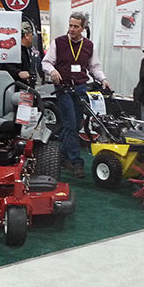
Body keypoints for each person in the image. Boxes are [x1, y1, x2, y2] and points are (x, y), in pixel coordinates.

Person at [42, 12, 111, 179]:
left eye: (76, 26)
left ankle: (61, 155)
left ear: (83, 28)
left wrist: (103, 79)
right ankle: (76, 161)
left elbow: (94, 67)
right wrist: (52, 71)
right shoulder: (58, 42)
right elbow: (46, 62)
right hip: (63, 88)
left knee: (75, 124)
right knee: (71, 124)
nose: (72, 29)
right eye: (70, 25)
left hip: (80, 88)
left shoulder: (89, 45)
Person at [0, 21, 35, 85]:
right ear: (26, 35)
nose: (32, 37)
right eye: (32, 34)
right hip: (11, 86)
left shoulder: (25, 50)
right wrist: (18, 73)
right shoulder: (11, 50)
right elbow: (4, 66)